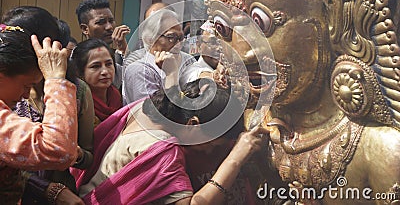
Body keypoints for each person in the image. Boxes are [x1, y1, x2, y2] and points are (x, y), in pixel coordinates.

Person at [191, 0, 400, 203]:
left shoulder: (382, 150)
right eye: (224, 30)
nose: (242, 54)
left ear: (333, 13)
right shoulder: (259, 127)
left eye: (262, 23)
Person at [72, 78, 269, 204]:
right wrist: (235, 159)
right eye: (211, 145)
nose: (208, 153)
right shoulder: (164, 149)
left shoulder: (146, 109)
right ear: (193, 124)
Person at [2, 6, 94, 204]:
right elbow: (58, 150)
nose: (26, 94)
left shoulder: (78, 91)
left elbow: (87, 155)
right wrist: (56, 80)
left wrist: (78, 155)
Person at [123, 9, 196, 104]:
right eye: (171, 37)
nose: (178, 44)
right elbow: (155, 114)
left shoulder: (188, 60)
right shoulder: (139, 70)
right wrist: (171, 75)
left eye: (181, 38)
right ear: (150, 39)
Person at [75, 0, 131, 88]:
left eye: (111, 21)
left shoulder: (117, 53)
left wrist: (124, 49)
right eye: (101, 22)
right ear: (85, 29)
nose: (109, 27)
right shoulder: (77, 57)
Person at [71, 38, 122, 127]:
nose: (105, 71)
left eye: (109, 64)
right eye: (96, 66)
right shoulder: (77, 104)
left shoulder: (116, 96)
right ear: (79, 72)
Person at [124, 1, 172, 67]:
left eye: (161, 22)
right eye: (151, 24)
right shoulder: (135, 60)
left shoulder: (187, 59)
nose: (155, 28)